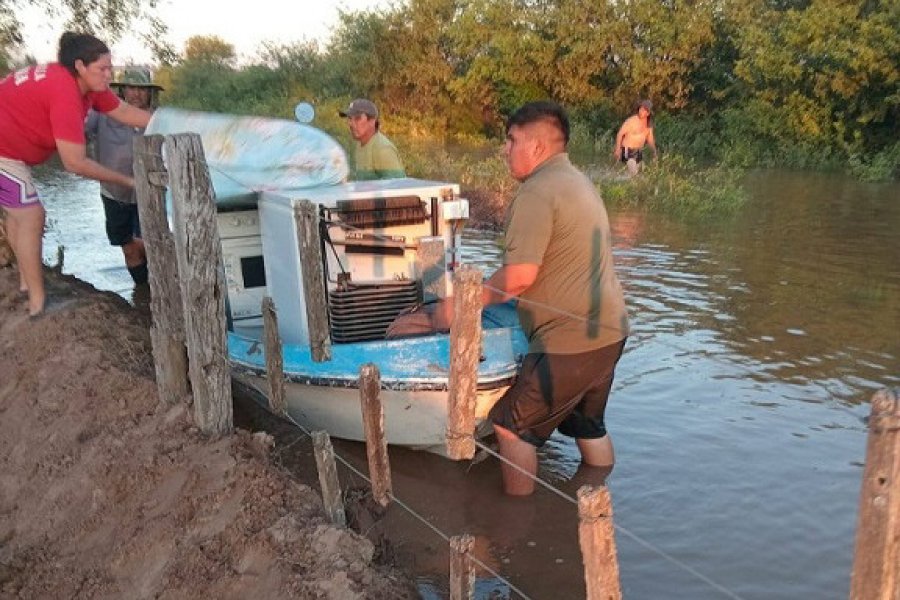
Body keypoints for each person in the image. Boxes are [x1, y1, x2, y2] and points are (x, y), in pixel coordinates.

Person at [443, 101, 629, 496]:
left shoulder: (538, 191)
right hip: (610, 332)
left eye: (511, 141)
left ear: (537, 146)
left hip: (570, 339)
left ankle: (516, 525)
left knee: (512, 428)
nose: (505, 150)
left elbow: (518, 277)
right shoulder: (577, 180)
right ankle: (598, 500)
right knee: (587, 424)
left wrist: (459, 306)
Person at [0, 32, 151, 317]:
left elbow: (123, 111)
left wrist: (166, 122)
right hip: (3, 152)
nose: (109, 75)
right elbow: (75, 163)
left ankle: (25, 284)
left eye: (110, 68)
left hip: (9, 149)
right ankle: (38, 302)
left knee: (17, 214)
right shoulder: (65, 92)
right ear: (80, 66)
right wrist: (128, 180)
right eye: (102, 69)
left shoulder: (88, 85)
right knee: (31, 215)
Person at [85, 68, 163, 285]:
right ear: (122, 90)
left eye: (141, 89)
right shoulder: (102, 113)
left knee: (152, 245)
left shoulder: (159, 118)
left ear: (150, 92)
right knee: (128, 248)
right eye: (131, 88)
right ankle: (143, 292)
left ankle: (162, 292)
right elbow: (77, 131)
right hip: (114, 192)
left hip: (150, 194)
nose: (136, 94)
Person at [338, 98, 406, 181]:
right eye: (349, 118)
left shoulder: (382, 149)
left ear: (372, 121)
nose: (351, 124)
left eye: (357, 119)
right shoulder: (360, 145)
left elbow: (399, 187)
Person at [614, 99, 657, 176]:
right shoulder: (631, 121)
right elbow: (620, 134)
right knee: (634, 171)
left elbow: (650, 140)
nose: (641, 111)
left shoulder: (648, 125)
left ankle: (623, 180)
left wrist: (654, 152)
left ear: (648, 113)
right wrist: (617, 148)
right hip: (626, 150)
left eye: (644, 110)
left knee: (641, 172)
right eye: (640, 109)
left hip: (638, 151)